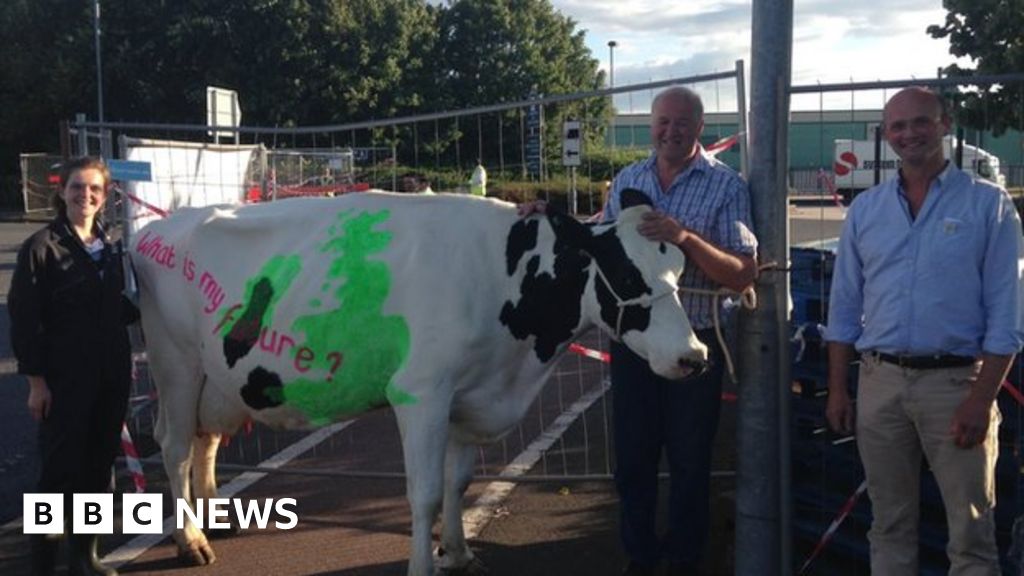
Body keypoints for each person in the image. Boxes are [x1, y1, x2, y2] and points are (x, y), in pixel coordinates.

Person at [522, 86, 757, 575]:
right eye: (663, 121)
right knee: (633, 462)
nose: (671, 131)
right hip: (635, 345)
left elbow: (741, 272)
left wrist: (684, 237)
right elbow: (603, 239)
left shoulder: (726, 185)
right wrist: (550, 220)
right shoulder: (630, 177)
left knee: (691, 463)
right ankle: (641, 558)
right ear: (651, 124)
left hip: (694, 341)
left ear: (699, 127)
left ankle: (685, 560)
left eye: (683, 122)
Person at [824, 86, 1024, 575]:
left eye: (920, 122)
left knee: (972, 532)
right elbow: (845, 305)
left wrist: (981, 398)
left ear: (944, 124)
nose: (909, 133)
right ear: (886, 135)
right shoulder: (867, 211)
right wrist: (837, 391)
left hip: (956, 387)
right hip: (880, 385)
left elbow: (1008, 314)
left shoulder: (988, 206)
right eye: (897, 125)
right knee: (889, 526)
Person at [10, 157, 138, 576]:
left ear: (105, 197)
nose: (86, 196)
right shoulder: (42, 247)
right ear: (62, 192)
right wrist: (36, 382)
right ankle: (43, 565)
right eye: (77, 188)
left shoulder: (111, 245)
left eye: (94, 190)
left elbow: (118, 308)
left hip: (110, 375)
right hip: (64, 379)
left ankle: (86, 557)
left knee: (99, 469)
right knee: (58, 473)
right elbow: (25, 319)